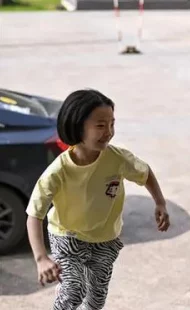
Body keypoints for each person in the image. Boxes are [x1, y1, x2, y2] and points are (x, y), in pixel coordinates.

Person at [26, 89, 171, 310]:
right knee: (74, 292)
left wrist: (160, 202)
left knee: (95, 301)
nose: (109, 132)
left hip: (105, 237)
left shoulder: (117, 159)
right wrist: (41, 259)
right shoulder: (59, 171)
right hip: (67, 236)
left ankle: (72, 290)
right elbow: (34, 215)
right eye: (101, 126)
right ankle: (66, 291)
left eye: (112, 124)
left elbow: (145, 172)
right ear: (77, 127)